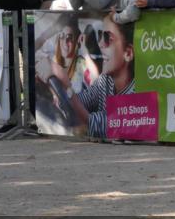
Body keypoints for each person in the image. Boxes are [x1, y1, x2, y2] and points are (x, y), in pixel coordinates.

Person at [50, 13, 134, 141]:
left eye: (108, 38)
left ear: (128, 53)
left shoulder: (136, 92)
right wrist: (61, 97)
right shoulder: (106, 80)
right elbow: (84, 101)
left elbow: (94, 123)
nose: (100, 43)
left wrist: (67, 87)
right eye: (100, 35)